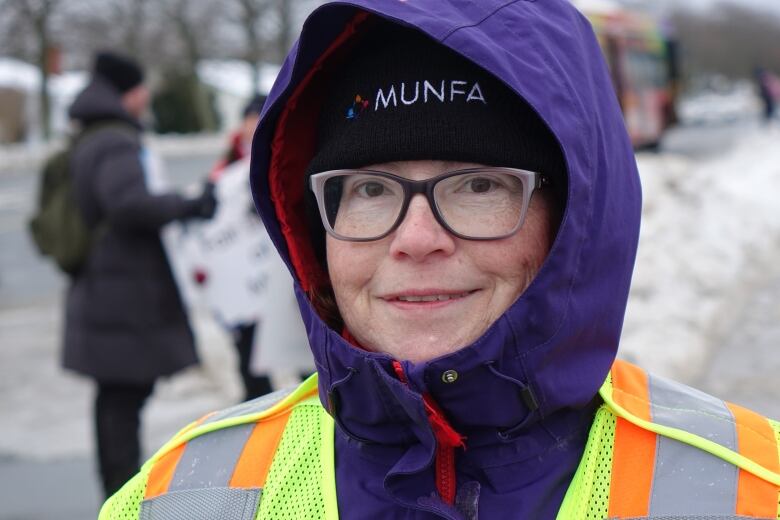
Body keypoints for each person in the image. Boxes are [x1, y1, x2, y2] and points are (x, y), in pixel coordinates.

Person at [100, 3, 780, 519]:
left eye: (479, 185)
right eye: (368, 190)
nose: (416, 238)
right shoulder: (174, 495)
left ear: (572, 218)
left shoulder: (749, 490)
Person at [63, 51, 217, 498]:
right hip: (121, 289)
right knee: (123, 397)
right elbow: (128, 204)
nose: (147, 95)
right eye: (141, 87)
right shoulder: (115, 140)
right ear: (127, 92)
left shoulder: (91, 133)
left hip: (106, 283)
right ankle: (119, 493)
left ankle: (115, 486)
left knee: (117, 395)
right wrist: (189, 203)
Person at [208, 94, 276, 400]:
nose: (252, 126)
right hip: (243, 279)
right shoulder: (229, 164)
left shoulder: (282, 149)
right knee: (250, 358)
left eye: (257, 118)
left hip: (276, 272)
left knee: (299, 351)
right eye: (249, 119)